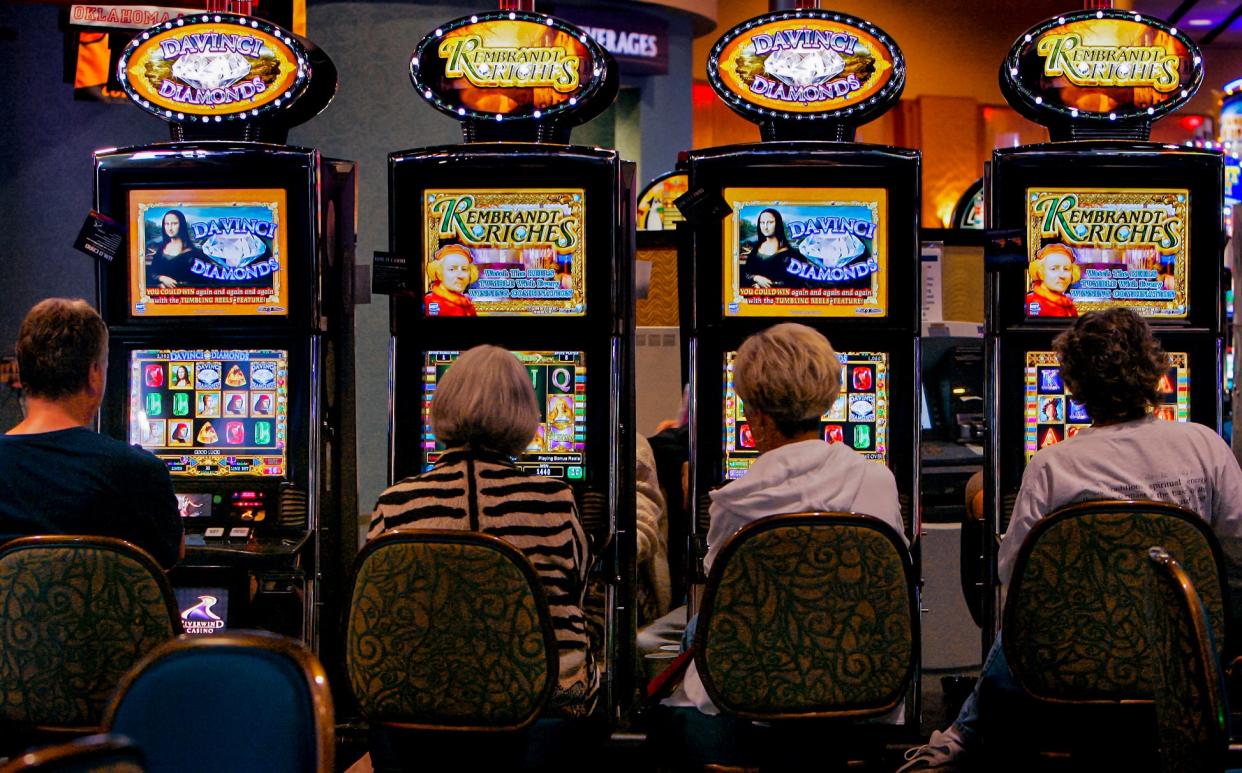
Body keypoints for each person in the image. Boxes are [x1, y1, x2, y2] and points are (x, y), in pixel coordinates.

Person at [899, 308, 1242, 772]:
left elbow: (1014, 575)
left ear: (1074, 386)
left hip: (1076, 658)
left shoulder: (1054, 464)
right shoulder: (1205, 446)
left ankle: (964, 734)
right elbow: (1238, 551)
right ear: (1155, 372)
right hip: (1183, 653)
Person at [648, 323, 904, 767]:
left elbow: (723, 609)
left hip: (749, 712)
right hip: (862, 703)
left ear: (757, 416)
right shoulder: (877, 480)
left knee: (673, 645)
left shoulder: (737, 501)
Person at [368, 345, 598, 718]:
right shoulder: (553, 500)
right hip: (538, 701)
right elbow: (579, 594)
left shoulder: (395, 503)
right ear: (527, 413)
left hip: (419, 700)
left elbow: (380, 611)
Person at [0, 299, 183, 569]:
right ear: (94, 374)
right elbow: (170, 555)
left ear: (22, 372)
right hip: (105, 611)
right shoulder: (137, 469)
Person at [739, 209, 799, 290]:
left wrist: (762, 286)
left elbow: (792, 282)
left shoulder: (790, 253)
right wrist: (755, 278)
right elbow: (746, 272)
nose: (765, 227)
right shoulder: (755, 247)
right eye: (762, 223)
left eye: (770, 222)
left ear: (777, 224)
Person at [146, 209, 202, 290]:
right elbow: (152, 273)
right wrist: (161, 279)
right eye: (166, 224)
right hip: (160, 298)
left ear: (182, 225)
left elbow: (198, 282)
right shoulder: (161, 249)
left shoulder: (194, 253)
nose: (170, 228)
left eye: (174, 223)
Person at [1025, 243, 1079, 317]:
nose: (1062, 275)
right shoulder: (1029, 302)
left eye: (1066, 269)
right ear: (1040, 272)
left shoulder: (1070, 306)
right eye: (1053, 269)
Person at [423, 244, 479, 317]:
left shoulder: (468, 304)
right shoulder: (429, 303)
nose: (460, 276)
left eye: (464, 269)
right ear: (439, 273)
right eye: (452, 269)